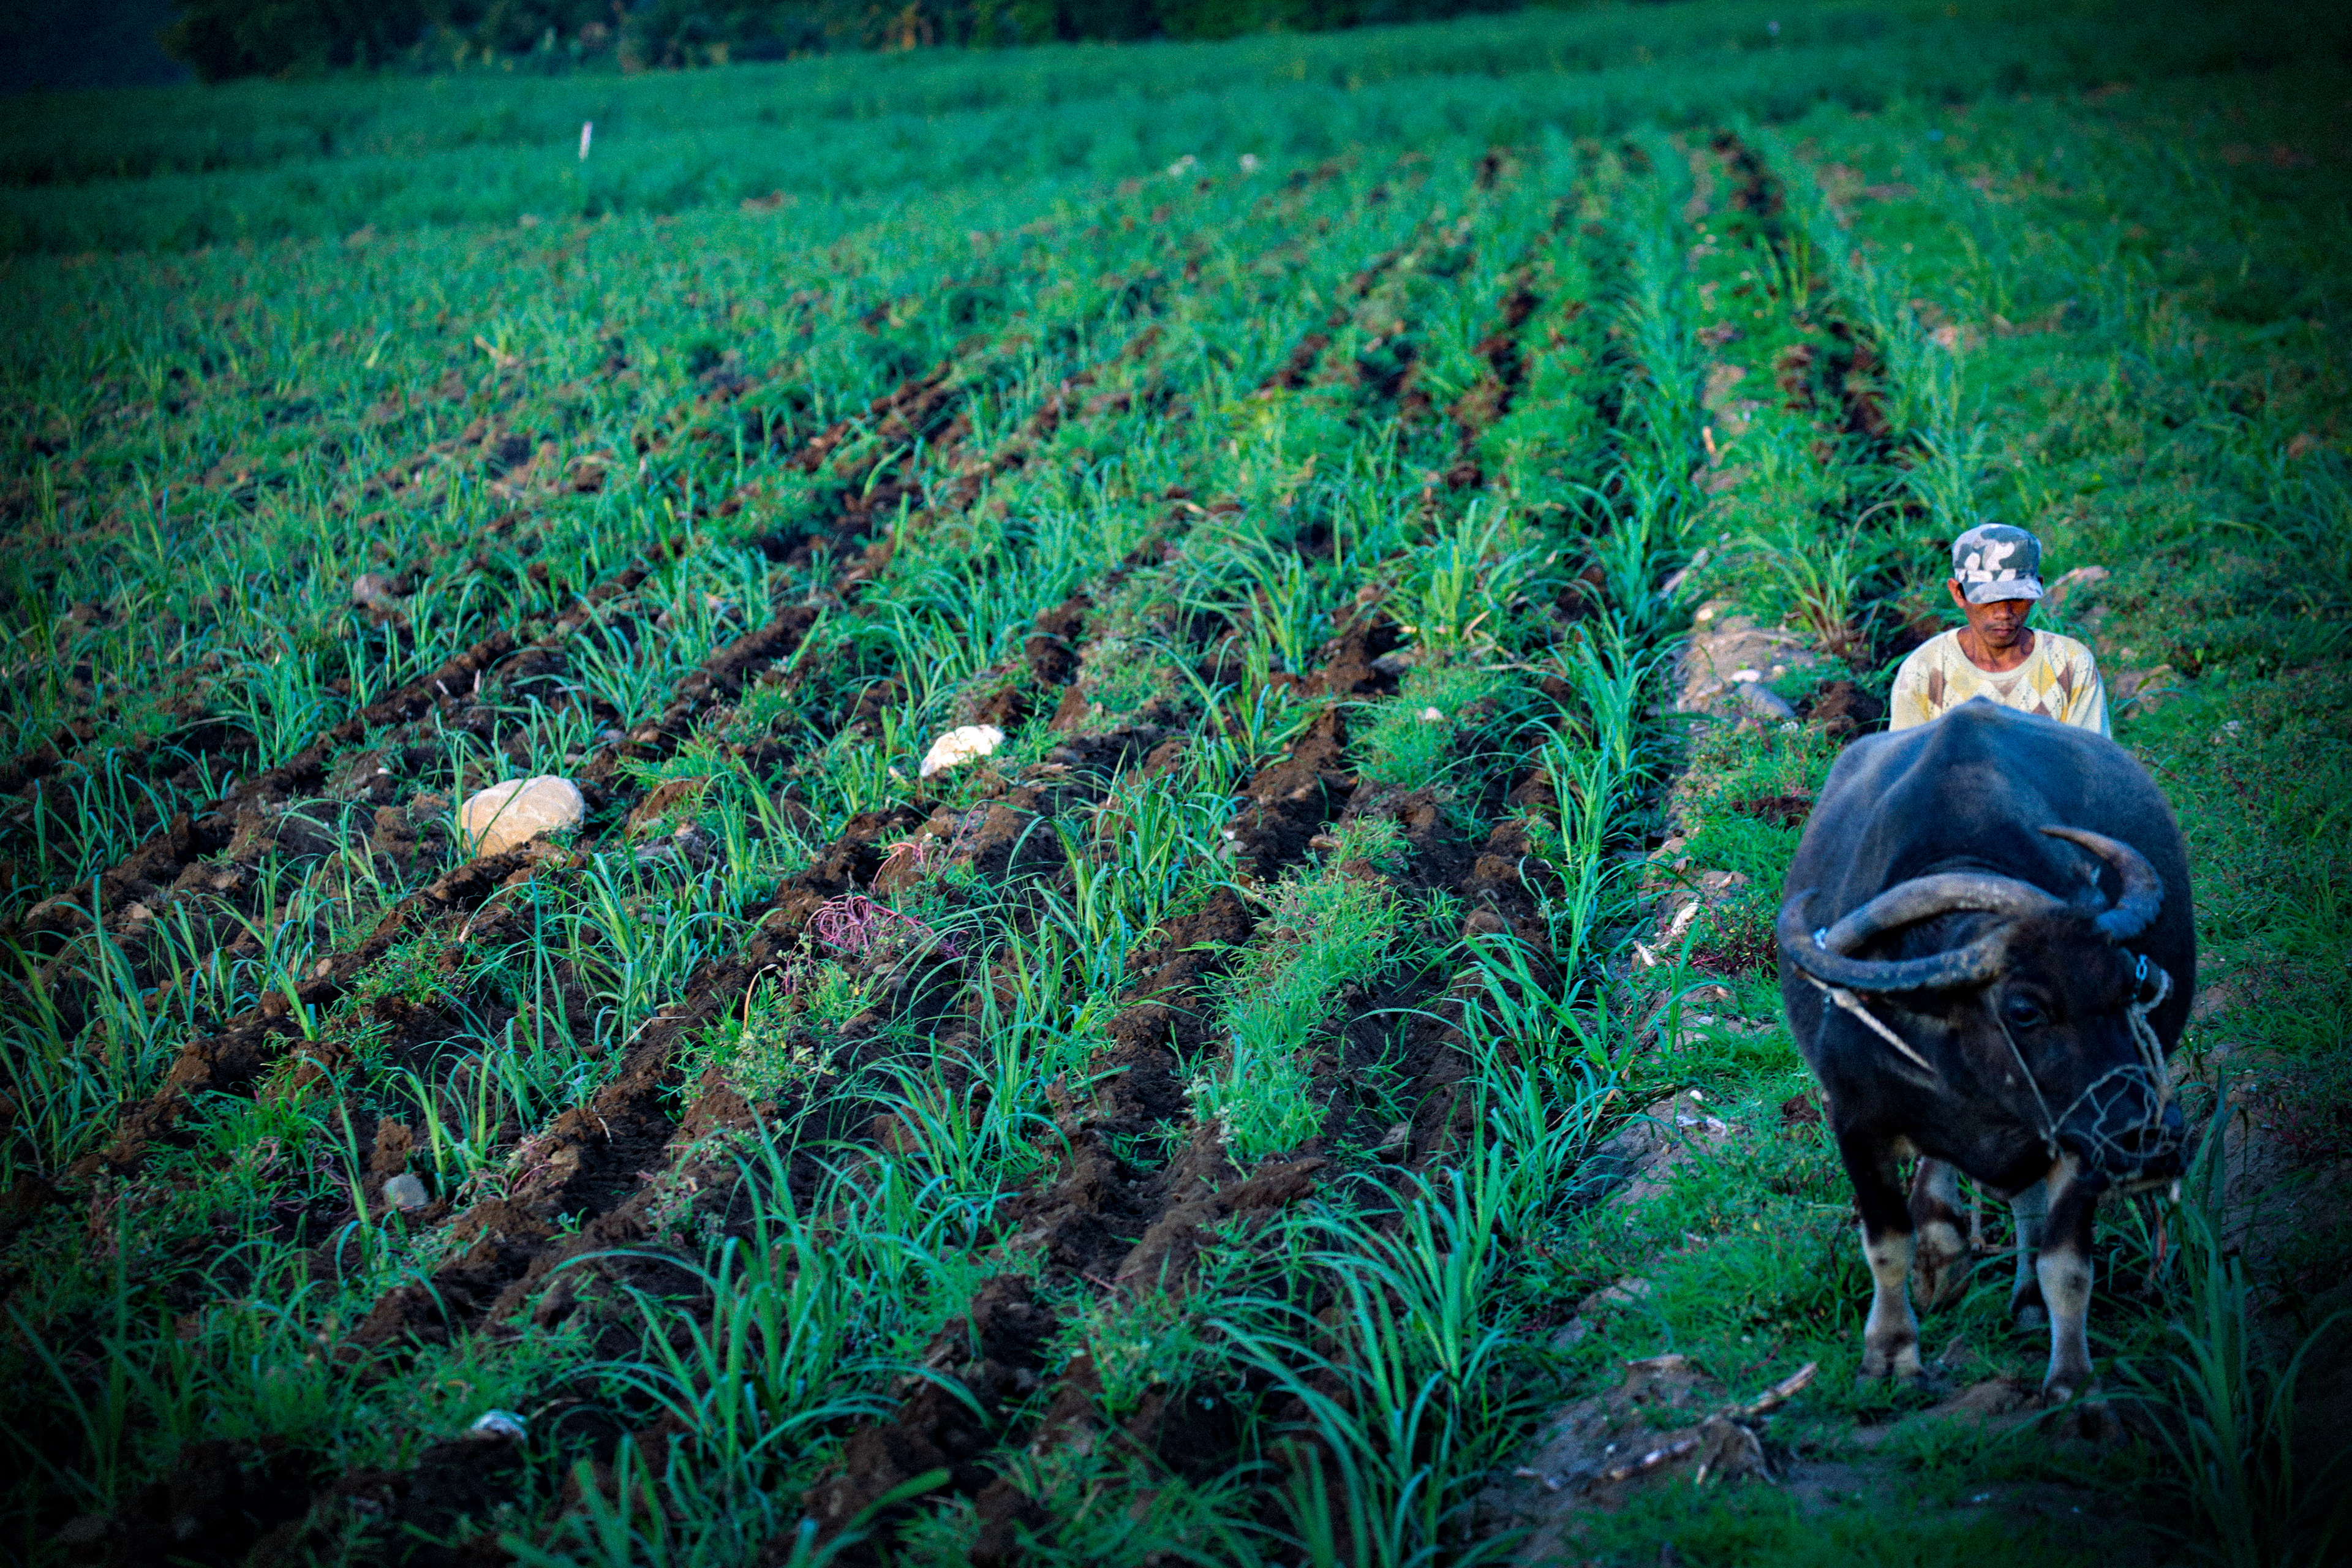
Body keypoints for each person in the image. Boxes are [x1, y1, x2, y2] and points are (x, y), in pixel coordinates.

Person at [1888, 523, 2108, 734]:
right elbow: (1905, 763)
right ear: (1958, 593)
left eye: (2017, 597)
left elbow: (2090, 759)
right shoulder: (1925, 671)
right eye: (1988, 598)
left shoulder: (2070, 665)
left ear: (2037, 590)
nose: (2004, 612)